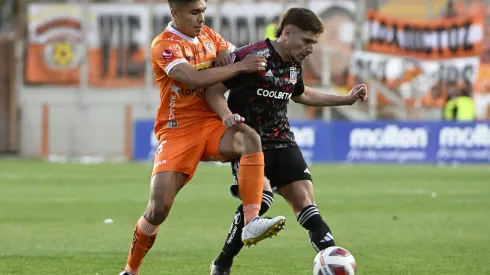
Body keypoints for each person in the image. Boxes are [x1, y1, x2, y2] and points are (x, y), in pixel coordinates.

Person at [119, 1, 287, 274]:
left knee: (249, 139)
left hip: (210, 125)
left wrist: (230, 55)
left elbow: (236, 53)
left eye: (203, 11)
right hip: (177, 131)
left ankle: (251, 220)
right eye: (194, 12)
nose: (201, 18)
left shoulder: (210, 36)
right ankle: (130, 270)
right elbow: (192, 79)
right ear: (175, 13)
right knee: (158, 210)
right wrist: (238, 67)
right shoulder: (164, 45)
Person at [204, 8, 367, 275]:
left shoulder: (294, 62)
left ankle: (332, 264)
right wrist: (227, 116)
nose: (310, 49)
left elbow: (300, 94)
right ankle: (222, 264)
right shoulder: (251, 57)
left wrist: (344, 99)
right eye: (307, 41)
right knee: (261, 199)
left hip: (283, 141)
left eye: (314, 43)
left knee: (306, 203)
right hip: (249, 142)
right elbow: (213, 91)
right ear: (288, 32)